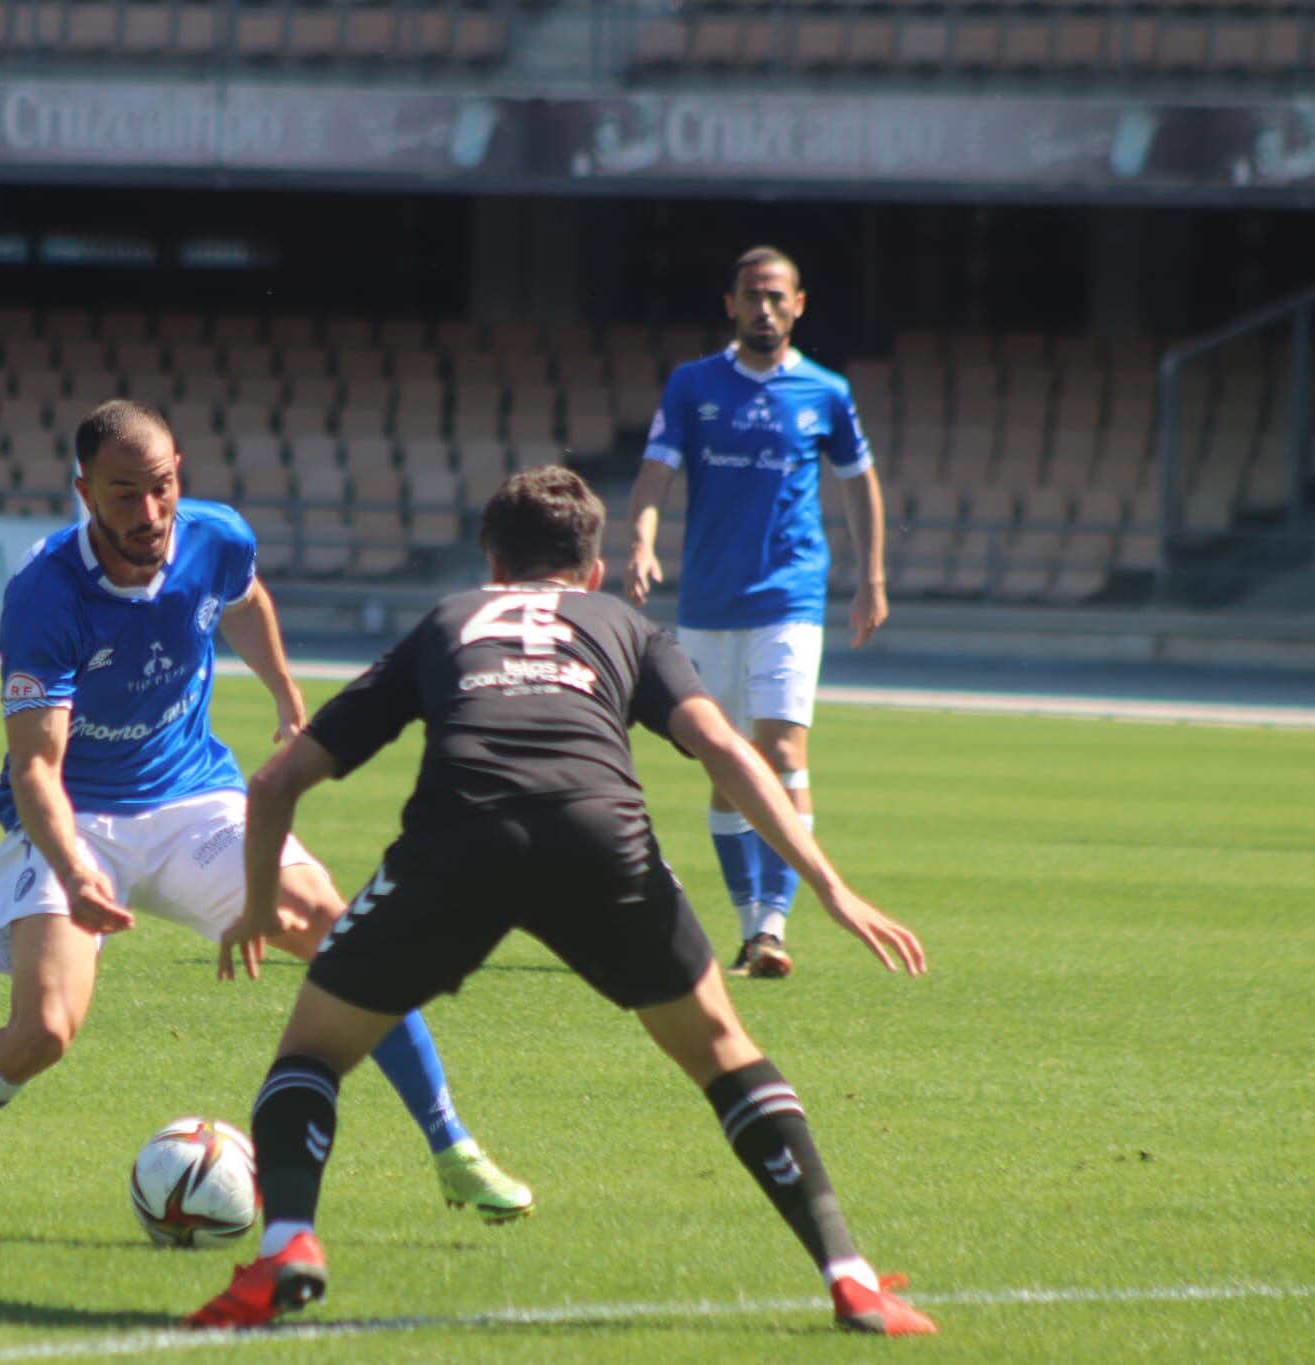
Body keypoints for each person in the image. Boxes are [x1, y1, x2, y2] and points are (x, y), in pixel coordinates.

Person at [187, 466, 935, 1337]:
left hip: (458, 841)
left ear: (492, 563)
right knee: (726, 1053)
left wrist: (250, 903)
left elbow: (277, 778)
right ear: (594, 569)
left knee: (310, 1053)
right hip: (598, 835)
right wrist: (829, 886)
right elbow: (724, 747)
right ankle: (850, 1280)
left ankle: (287, 1246)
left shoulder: (448, 619)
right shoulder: (625, 622)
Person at [0, 399, 531, 1238]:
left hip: (194, 800)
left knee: (348, 934)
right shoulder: (45, 595)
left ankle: (452, 1147)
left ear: (179, 473)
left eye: (161, 488)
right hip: (76, 821)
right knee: (42, 1029)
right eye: (123, 495)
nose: (149, 514)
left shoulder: (215, 534)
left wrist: (284, 692)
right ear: (83, 493)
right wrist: (75, 868)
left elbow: (243, 596)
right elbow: (36, 767)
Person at [624, 245, 889, 981]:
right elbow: (653, 475)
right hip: (708, 602)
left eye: (777, 296)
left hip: (789, 599)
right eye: (751, 296)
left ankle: (771, 927)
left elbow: (859, 484)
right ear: (730, 305)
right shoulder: (693, 386)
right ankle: (751, 929)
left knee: (780, 755)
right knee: (724, 763)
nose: (763, 309)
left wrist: (871, 577)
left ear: (799, 304)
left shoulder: (826, 392)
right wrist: (641, 544)